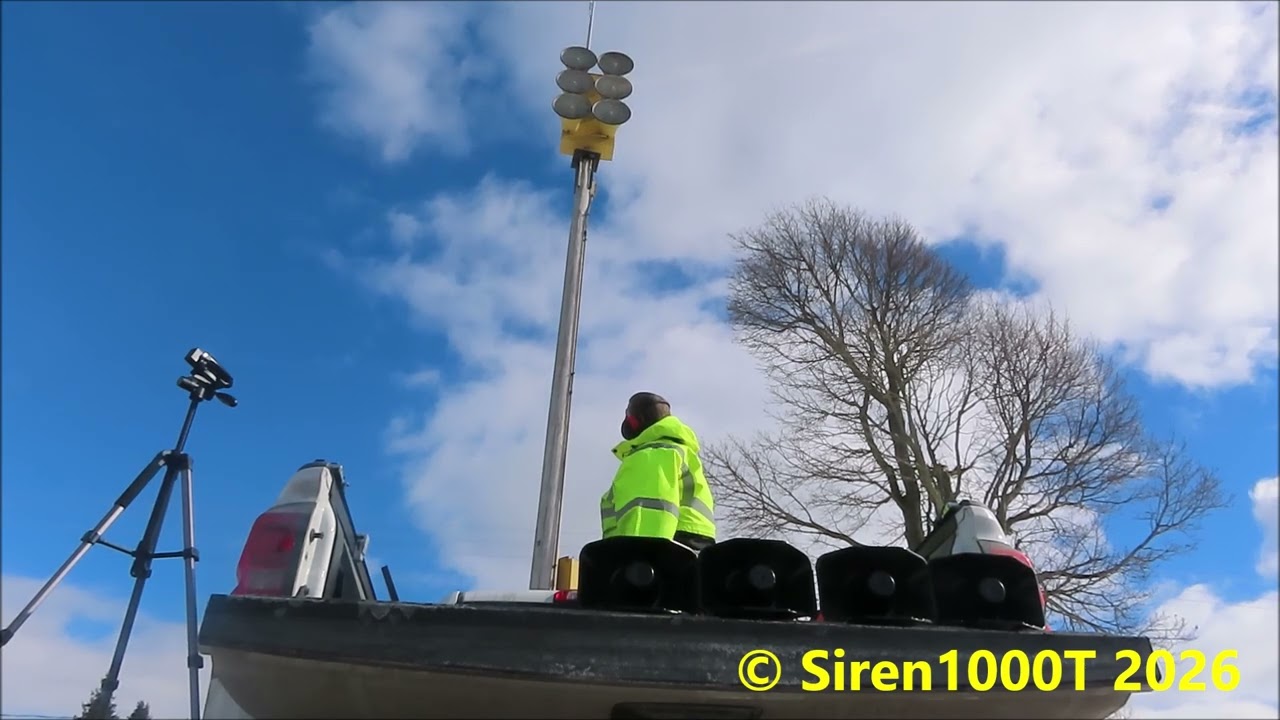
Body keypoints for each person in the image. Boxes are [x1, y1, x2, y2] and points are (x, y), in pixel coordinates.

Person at [599, 392, 717, 551]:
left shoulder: (650, 455)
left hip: (662, 552)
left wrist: (640, 558)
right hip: (692, 548)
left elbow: (647, 514)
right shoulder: (681, 452)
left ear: (635, 420)